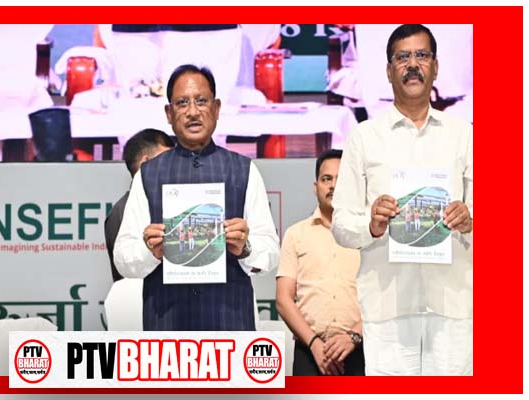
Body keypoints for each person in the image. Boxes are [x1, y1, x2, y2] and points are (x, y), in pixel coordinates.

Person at [331, 25, 473, 376]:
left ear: (435, 67)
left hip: (453, 305)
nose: (412, 65)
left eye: (422, 56)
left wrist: (470, 219)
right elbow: (341, 225)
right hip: (387, 307)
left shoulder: (464, 135)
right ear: (388, 70)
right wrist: (372, 225)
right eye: (402, 57)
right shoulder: (364, 137)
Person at [114, 64, 280, 331]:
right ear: (169, 114)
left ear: (216, 108)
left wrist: (246, 247)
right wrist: (149, 251)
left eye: (201, 101)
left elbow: (270, 252)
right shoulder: (148, 174)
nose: (192, 112)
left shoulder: (243, 170)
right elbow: (123, 258)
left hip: (230, 323)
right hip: (167, 325)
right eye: (182, 103)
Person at [276, 149, 364, 376]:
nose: (333, 185)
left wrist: (354, 336)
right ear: (316, 187)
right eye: (326, 179)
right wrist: (315, 344)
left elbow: (382, 297)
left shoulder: (369, 234)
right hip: (310, 352)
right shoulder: (296, 234)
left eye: (340, 179)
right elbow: (283, 299)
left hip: (361, 349)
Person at [104, 128, 174, 282]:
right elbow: (126, 269)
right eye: (166, 159)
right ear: (146, 164)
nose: (173, 166)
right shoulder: (123, 210)